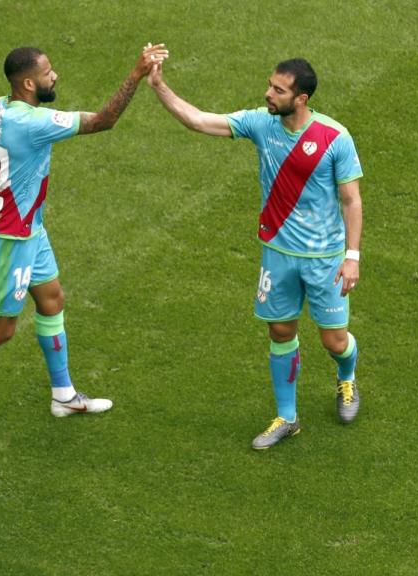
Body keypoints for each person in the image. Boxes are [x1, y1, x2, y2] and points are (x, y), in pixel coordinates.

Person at [0, 43, 168, 416]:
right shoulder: (33, 123)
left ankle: (63, 396)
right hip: (7, 237)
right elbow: (104, 120)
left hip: (28, 228)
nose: (55, 76)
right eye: (48, 73)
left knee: (51, 299)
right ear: (29, 83)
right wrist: (136, 74)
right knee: (1, 329)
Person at [146, 57, 363, 449]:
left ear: (301, 98)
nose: (268, 93)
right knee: (280, 331)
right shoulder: (261, 123)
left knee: (334, 342)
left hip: (324, 260)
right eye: (269, 85)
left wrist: (352, 257)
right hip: (277, 254)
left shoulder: (335, 138)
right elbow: (198, 120)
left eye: (278, 90)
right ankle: (287, 417)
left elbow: (351, 200)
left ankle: (346, 377)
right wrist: (159, 86)